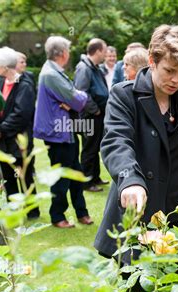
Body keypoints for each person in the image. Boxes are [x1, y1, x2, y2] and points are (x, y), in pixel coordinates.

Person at [95, 24, 178, 271]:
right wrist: (131, 180)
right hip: (140, 219)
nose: (176, 80)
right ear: (152, 60)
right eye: (169, 70)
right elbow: (117, 142)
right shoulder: (124, 96)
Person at [33, 36, 93, 228]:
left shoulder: (53, 72)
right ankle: (57, 216)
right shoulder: (51, 74)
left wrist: (72, 100)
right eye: (68, 50)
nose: (69, 54)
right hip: (58, 134)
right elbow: (78, 100)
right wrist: (75, 98)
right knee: (62, 176)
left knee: (76, 173)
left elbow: (73, 99)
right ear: (62, 53)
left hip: (65, 131)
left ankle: (81, 213)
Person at [0, 47, 40, 219]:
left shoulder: (24, 85)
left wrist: (1, 130)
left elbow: (21, 114)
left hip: (19, 140)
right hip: (3, 141)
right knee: (8, 176)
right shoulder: (1, 82)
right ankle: (14, 210)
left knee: (25, 175)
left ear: (5, 67)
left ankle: (32, 211)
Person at [74, 38, 109, 192]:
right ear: (98, 51)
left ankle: (95, 177)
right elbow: (81, 92)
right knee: (89, 148)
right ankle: (86, 182)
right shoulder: (84, 68)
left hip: (97, 115)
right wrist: (94, 109)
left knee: (95, 147)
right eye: (105, 50)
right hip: (88, 116)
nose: (107, 54)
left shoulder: (94, 67)